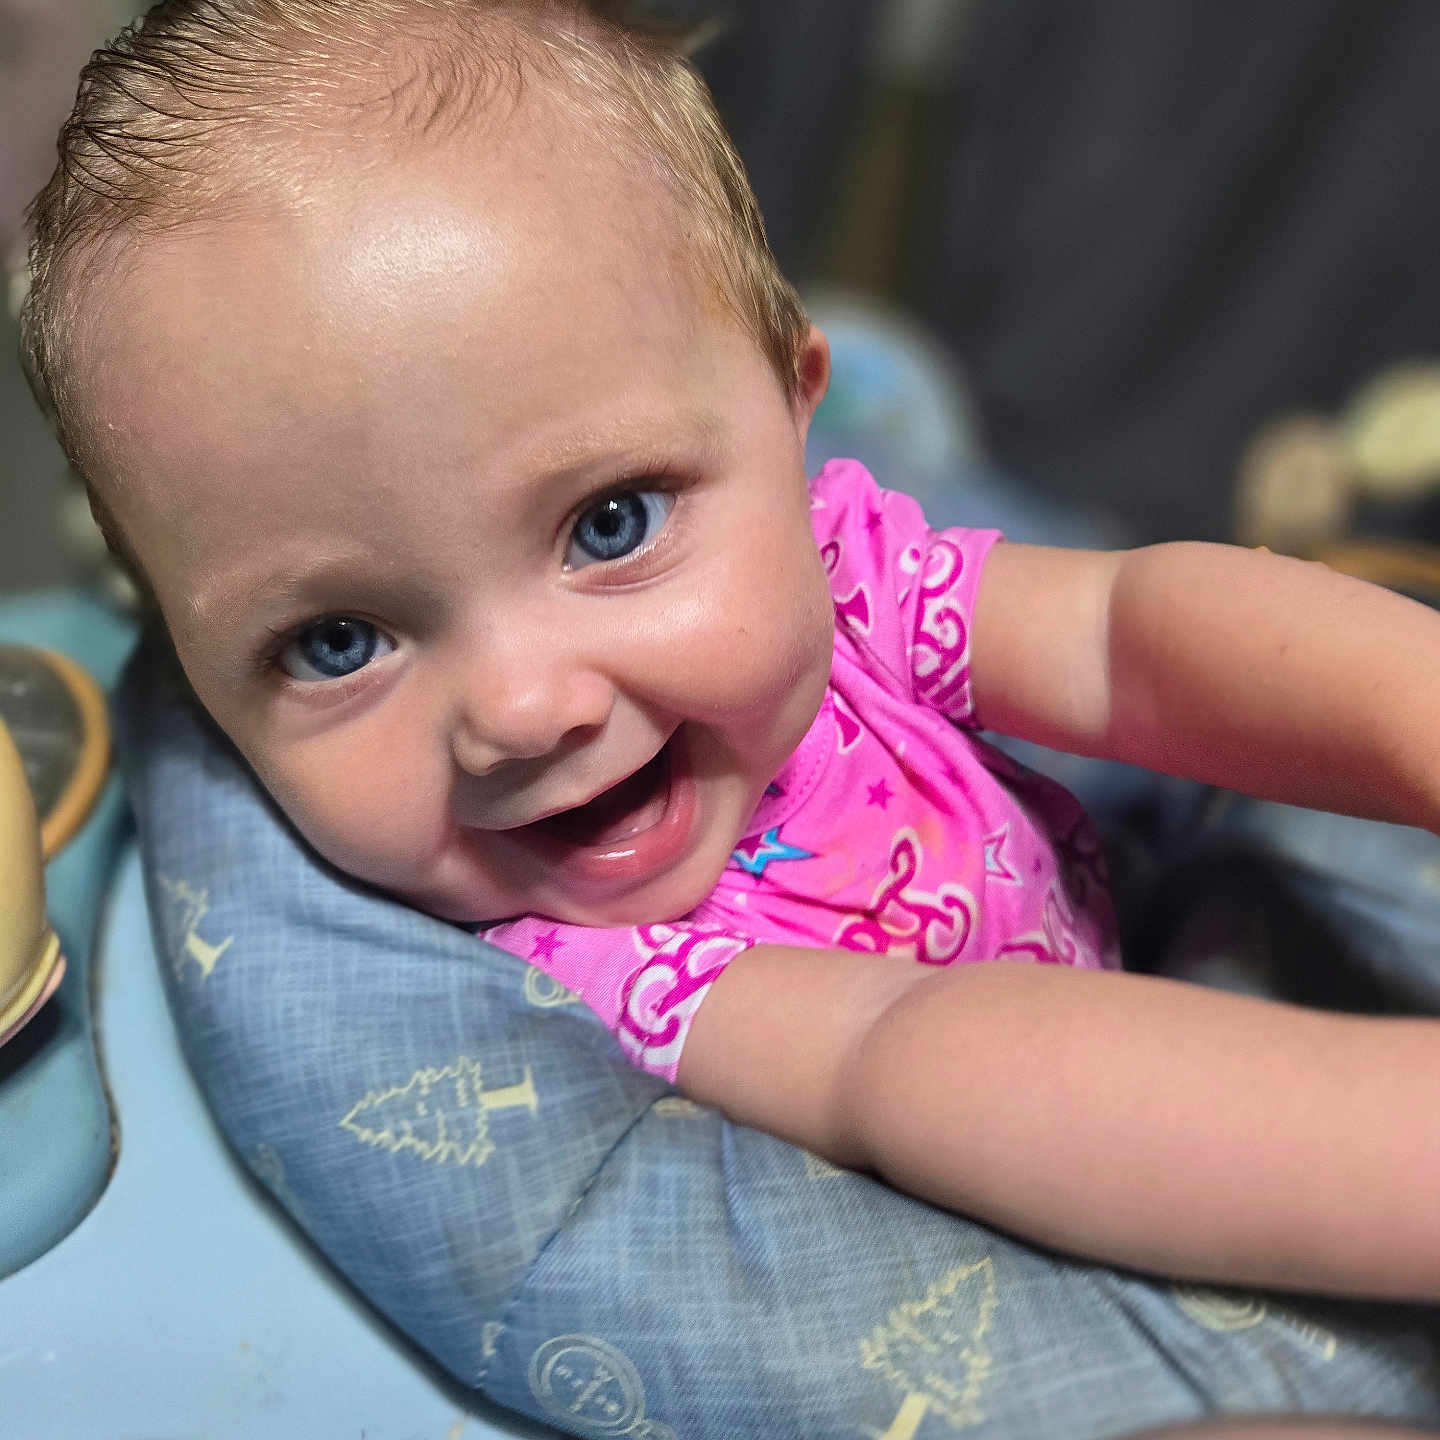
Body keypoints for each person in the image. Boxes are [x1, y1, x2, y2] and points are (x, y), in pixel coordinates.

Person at [17, 0, 1440, 1394]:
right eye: (337, 641)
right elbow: (898, 1059)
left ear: (792, 406)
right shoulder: (577, 965)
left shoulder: (844, 570)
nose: (521, 708)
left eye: (612, 523)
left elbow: (1131, 642)